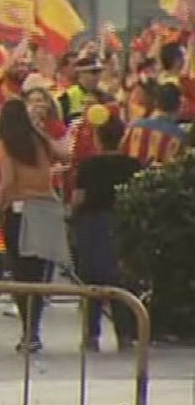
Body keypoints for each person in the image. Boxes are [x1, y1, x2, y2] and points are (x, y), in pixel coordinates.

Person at [0, 98, 72, 354]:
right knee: (38, 275)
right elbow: (64, 155)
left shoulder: (6, 144)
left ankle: (27, 330)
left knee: (20, 275)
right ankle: (34, 330)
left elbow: (7, 182)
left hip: (19, 210)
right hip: (46, 207)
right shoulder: (38, 140)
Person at [70, 113, 141, 352]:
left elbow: (78, 199)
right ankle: (125, 335)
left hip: (92, 225)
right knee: (121, 280)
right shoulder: (132, 165)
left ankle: (91, 336)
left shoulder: (88, 166)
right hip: (121, 225)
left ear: (98, 138)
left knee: (92, 282)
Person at [122, 83, 188, 166]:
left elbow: (122, 152)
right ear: (179, 106)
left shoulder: (133, 126)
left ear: (156, 102)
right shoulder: (180, 136)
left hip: (129, 176)